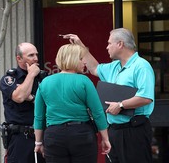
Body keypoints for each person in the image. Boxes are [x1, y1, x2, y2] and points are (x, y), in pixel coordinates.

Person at [63, 28, 155, 163]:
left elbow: (146, 97)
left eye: (109, 43)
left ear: (120, 44)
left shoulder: (141, 66)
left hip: (134, 130)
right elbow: (94, 68)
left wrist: (121, 105)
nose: (106, 47)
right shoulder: (114, 66)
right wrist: (80, 45)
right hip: (114, 130)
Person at [33, 43, 111, 163]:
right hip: (82, 134)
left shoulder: (45, 83)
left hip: (54, 136)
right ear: (72, 59)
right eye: (81, 58)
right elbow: (97, 112)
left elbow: (39, 116)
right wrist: (105, 138)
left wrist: (38, 142)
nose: (84, 62)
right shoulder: (84, 81)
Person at [0, 42, 46, 163]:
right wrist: (31, 74)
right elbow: (19, 97)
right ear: (19, 58)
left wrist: (32, 98)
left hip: (43, 136)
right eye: (31, 55)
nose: (35, 58)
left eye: (36, 54)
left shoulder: (43, 78)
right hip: (20, 138)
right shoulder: (9, 79)